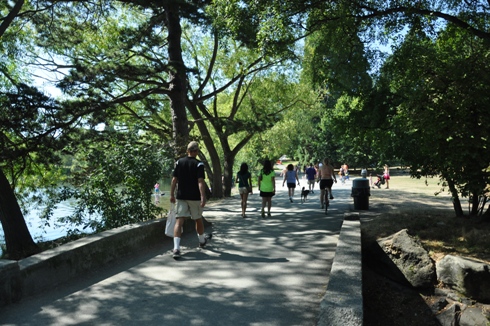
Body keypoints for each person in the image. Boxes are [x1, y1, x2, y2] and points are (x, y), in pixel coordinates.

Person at [169, 141, 207, 258]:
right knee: (197, 219)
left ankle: (176, 248)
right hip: (194, 197)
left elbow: (174, 180)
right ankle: (201, 241)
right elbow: (200, 181)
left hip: (181, 196)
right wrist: (203, 196)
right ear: (196, 152)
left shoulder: (179, 162)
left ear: (187, 151)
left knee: (179, 221)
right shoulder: (199, 164)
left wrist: (172, 195)